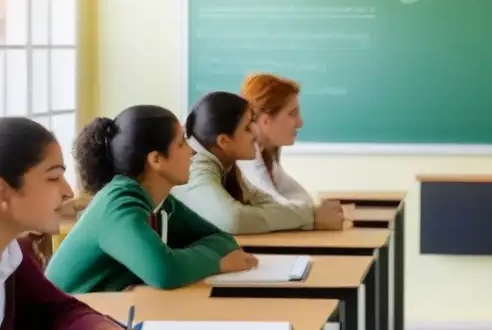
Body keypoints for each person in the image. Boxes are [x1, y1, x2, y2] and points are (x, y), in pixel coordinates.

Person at [0, 116, 148, 330]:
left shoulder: (9, 255)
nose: (68, 192)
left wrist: (100, 329)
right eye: (53, 177)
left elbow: (56, 310)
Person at [46, 105, 257, 294]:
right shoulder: (119, 204)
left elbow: (223, 240)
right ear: (156, 160)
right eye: (181, 143)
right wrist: (217, 262)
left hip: (104, 312)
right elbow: (164, 271)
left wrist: (178, 258)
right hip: (59, 328)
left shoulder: (160, 201)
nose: (192, 151)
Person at [172, 91, 345, 234]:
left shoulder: (225, 164)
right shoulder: (194, 165)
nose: (256, 133)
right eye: (248, 127)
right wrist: (311, 217)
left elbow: (265, 202)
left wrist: (311, 215)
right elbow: (233, 220)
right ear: (224, 141)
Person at [237, 73, 313, 206]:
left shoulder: (266, 155)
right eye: (292, 113)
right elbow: (273, 207)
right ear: (266, 120)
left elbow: (304, 200)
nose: (300, 122)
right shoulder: (246, 157)